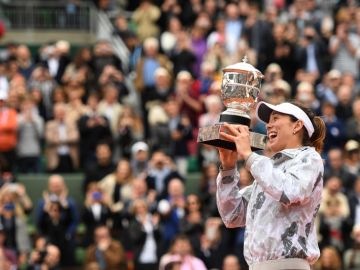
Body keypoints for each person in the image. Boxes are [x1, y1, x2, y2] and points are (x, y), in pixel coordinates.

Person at [216, 101, 326, 270]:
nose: (268, 125)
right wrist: (228, 169)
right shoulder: (269, 170)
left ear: (297, 125)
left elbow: (290, 191)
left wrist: (248, 154)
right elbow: (233, 215)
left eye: (275, 118)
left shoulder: (309, 158)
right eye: (269, 121)